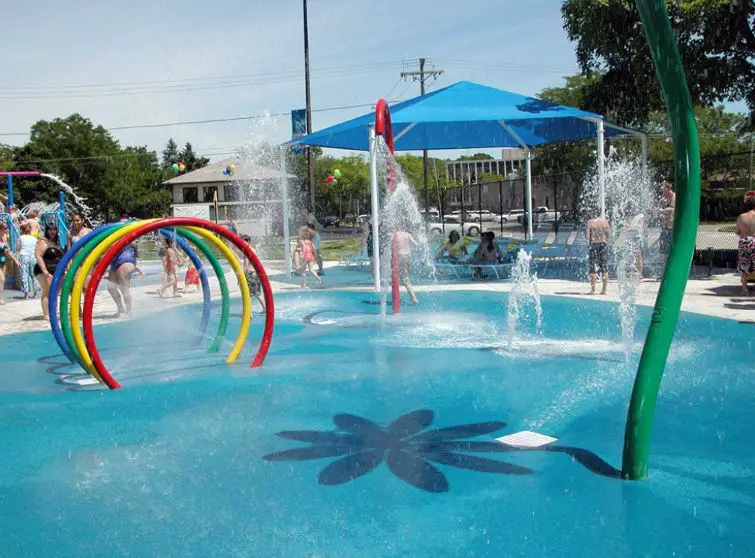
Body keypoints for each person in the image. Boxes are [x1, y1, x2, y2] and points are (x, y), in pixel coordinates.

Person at [34, 223, 64, 318]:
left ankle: (53, 313)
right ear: (46, 231)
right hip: (43, 271)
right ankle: (46, 314)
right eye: (50, 230)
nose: (52, 232)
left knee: (54, 292)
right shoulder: (43, 241)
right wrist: (45, 271)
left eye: (54, 230)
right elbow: (38, 256)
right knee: (47, 291)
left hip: (55, 271)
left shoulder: (55, 242)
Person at [108, 242, 139, 316]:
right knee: (111, 288)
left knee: (124, 288)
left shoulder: (125, 233)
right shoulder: (111, 235)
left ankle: (129, 311)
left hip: (125, 261)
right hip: (115, 262)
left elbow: (133, 244)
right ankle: (121, 308)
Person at [735, 193, 755, 296]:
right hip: (754, 242)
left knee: (744, 267)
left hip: (744, 242)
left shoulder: (741, 217)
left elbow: (737, 231)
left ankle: (744, 289)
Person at [394, 226, 419, 304]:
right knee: (405, 276)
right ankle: (405, 288)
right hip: (408, 255)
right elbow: (416, 244)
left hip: (400, 256)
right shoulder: (407, 234)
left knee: (405, 278)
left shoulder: (395, 235)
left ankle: (413, 298)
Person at [587, 212, 610, 295]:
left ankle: (593, 290)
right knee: (604, 267)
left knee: (592, 267)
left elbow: (588, 236)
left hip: (593, 245)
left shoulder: (590, 222)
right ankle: (604, 290)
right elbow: (608, 235)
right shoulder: (604, 222)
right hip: (603, 244)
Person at [16, 222, 40, 299]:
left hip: (24, 256)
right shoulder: (34, 239)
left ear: (22, 230)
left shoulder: (21, 238)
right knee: (33, 275)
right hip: (32, 257)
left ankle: (26, 293)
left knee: (24, 274)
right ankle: (36, 292)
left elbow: (18, 248)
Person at [241, 234, 265, 310]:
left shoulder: (247, 252)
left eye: (243, 242)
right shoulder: (253, 250)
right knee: (258, 294)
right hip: (256, 274)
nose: (241, 243)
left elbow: (245, 266)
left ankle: (249, 313)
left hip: (250, 275)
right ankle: (265, 309)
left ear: (248, 242)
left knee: (248, 295)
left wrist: (241, 278)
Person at [0, 223, 21, 305]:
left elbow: (8, 251)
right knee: (2, 279)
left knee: (1, 281)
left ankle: (0, 298)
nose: (5, 231)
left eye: (5, 229)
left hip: (3, 261)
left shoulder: (4, 238)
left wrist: (15, 260)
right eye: (3, 229)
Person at [624, 203, 645, 279]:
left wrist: (631, 228)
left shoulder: (641, 216)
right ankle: (628, 272)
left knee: (638, 255)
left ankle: (640, 274)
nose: (633, 209)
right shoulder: (629, 216)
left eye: (634, 208)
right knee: (628, 254)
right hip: (629, 237)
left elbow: (640, 226)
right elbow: (626, 225)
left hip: (636, 237)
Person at [301, 207, 324, 275]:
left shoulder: (310, 216)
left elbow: (314, 225)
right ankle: (303, 270)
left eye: (305, 210)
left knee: (316, 253)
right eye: (302, 210)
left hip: (314, 238)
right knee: (307, 253)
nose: (303, 211)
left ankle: (321, 270)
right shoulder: (306, 218)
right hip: (311, 238)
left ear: (307, 210)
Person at [659, 181, 676, 265]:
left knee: (671, 250)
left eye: (663, 189)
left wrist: (662, 210)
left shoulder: (674, 197)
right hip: (666, 227)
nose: (662, 192)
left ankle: (671, 268)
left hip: (672, 228)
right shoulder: (665, 198)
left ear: (668, 188)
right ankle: (665, 270)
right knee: (664, 251)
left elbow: (673, 209)